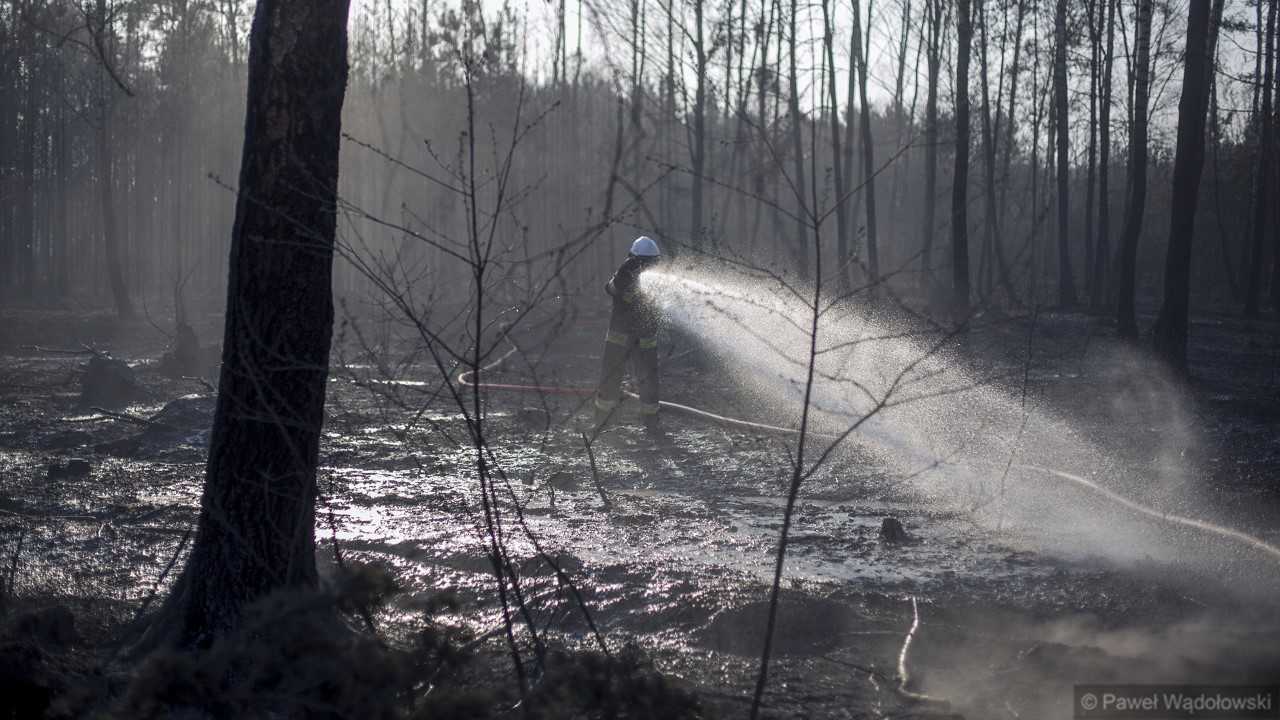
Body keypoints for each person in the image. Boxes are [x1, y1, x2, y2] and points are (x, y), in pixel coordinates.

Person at [593, 236, 662, 434]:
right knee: (647, 379)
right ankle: (651, 423)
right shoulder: (647, 274)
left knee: (611, 378)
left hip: (620, 338)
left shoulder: (628, 270)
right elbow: (612, 289)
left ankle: (602, 421)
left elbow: (610, 288)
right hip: (642, 339)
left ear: (633, 255)